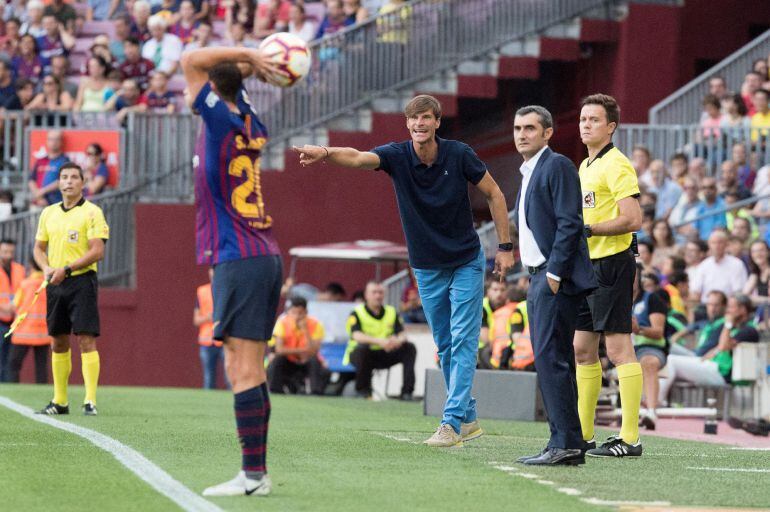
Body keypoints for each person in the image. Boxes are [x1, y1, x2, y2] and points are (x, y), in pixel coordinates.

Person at [293, 94, 514, 448]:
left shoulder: (458, 154)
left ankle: (452, 423)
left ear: (437, 122)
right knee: (445, 345)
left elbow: (495, 193)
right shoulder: (397, 155)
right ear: (407, 124)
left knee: (463, 339)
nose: (419, 124)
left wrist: (504, 247)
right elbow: (358, 157)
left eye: (426, 118)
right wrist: (326, 153)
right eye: (413, 120)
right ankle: (469, 417)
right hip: (426, 267)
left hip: (465, 260)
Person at [181, 45, 284, 497]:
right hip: (259, 254)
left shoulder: (219, 118)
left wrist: (250, 55)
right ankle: (255, 474)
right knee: (251, 368)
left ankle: (252, 476)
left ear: (212, 89)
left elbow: (190, 58)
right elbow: (223, 74)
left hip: (238, 256)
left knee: (242, 369)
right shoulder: (248, 118)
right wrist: (252, 68)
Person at [510, 105, 596, 466]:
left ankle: (565, 443)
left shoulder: (556, 165)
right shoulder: (530, 170)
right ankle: (567, 441)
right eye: (517, 128)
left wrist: (555, 273)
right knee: (552, 359)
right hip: (537, 273)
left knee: (551, 359)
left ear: (547, 133)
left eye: (530, 128)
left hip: (552, 276)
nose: (521, 134)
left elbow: (569, 222)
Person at [573, 94, 644, 458]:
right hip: (588, 267)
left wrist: (591, 230)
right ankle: (584, 435)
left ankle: (630, 439)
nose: (586, 125)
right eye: (583, 119)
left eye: (594, 120)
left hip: (613, 264)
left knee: (618, 349)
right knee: (582, 349)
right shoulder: (586, 165)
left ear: (611, 126)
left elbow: (633, 220)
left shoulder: (616, 164)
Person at [33, 162, 109, 416]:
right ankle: (60, 401)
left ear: (82, 182)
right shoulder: (48, 213)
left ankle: (90, 400)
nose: (68, 182)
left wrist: (66, 269)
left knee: (86, 338)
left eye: (74, 177)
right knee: (57, 340)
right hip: (55, 282)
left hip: (80, 281)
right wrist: (45, 268)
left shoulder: (92, 212)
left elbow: (97, 251)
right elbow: (38, 248)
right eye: (63, 177)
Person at [659, 295, 759, 404]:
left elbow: (723, 345)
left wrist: (728, 324)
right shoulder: (737, 327)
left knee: (671, 361)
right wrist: (707, 356)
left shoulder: (749, 330)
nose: (728, 310)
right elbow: (719, 348)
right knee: (668, 359)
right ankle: (662, 402)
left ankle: (656, 402)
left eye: (731, 307)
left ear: (743, 310)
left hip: (722, 374)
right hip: (714, 366)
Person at [344, 281, 415, 399]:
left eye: (380, 292)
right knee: (362, 349)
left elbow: (402, 334)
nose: (378, 296)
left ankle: (407, 393)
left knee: (409, 348)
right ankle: (363, 391)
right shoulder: (356, 312)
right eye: (374, 292)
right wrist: (381, 341)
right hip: (361, 354)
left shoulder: (391, 312)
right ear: (366, 295)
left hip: (384, 353)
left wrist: (397, 341)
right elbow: (357, 335)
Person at [630, 265, 667, 430]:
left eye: (634, 275)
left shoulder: (652, 299)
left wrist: (639, 329)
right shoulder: (614, 299)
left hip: (648, 347)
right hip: (619, 348)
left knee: (649, 362)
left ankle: (651, 411)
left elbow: (658, 332)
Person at [268, 295, 328, 395]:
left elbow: (313, 351)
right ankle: (276, 390)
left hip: (306, 361)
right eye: (293, 312)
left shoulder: (316, 325)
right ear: (288, 312)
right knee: (277, 360)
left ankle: (315, 392)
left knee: (315, 361)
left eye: (300, 313)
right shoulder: (282, 323)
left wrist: (306, 331)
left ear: (306, 312)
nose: (296, 316)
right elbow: (279, 350)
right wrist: (303, 350)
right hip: (289, 361)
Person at [6, 258, 50, 384]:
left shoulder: (25, 284)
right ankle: (42, 392)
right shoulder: (49, 284)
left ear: (31, 265)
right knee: (41, 366)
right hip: (43, 333)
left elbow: (13, 305)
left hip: (24, 332)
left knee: (14, 364)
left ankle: (13, 391)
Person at [689, 230, 747, 303]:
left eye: (720, 242)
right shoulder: (703, 265)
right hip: (706, 306)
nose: (716, 246)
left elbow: (738, 292)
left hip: (728, 306)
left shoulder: (737, 264)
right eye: (713, 243)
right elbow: (695, 291)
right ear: (709, 245)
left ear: (726, 244)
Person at [195, 268, 225, 389]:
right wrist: (208, 318)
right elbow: (196, 320)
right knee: (208, 378)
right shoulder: (202, 291)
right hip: (206, 341)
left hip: (223, 339)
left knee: (230, 376)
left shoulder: (226, 289)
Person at [0, 239, 25, 382]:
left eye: (10, 252)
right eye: (4, 252)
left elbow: (23, 291)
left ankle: (8, 387)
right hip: (1, 319)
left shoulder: (19, 269)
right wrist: (5, 307)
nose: (8, 255)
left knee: (11, 359)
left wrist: (14, 306)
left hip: (15, 320)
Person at [28, 129, 69, 207]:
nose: (54, 142)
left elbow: (63, 180)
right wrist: (38, 196)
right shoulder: (40, 160)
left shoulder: (65, 161)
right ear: (47, 141)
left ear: (61, 142)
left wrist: (41, 192)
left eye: (56, 139)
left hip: (55, 204)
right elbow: (31, 180)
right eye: (51, 139)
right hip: (37, 203)